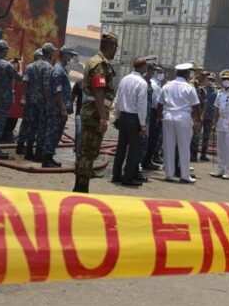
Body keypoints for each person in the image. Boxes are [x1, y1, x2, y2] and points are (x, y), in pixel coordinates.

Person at [74, 33, 118, 193]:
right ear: (112, 47)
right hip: (94, 113)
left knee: (85, 151)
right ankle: (82, 188)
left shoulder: (95, 61)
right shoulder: (99, 64)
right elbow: (98, 90)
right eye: (115, 48)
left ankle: (79, 185)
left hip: (91, 111)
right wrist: (103, 118)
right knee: (89, 153)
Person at [157, 63, 201, 183]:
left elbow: (160, 103)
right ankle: (185, 175)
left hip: (168, 116)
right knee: (184, 147)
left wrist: (159, 117)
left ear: (176, 73)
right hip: (183, 117)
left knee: (168, 146)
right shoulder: (189, 88)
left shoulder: (167, 86)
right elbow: (196, 105)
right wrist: (198, 120)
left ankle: (169, 174)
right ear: (187, 74)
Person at [112, 58, 149, 187]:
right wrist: (143, 124)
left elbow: (117, 100)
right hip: (134, 119)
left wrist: (116, 117)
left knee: (121, 148)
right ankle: (127, 178)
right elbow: (141, 106)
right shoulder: (142, 83)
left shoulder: (124, 79)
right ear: (143, 67)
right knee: (133, 149)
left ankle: (116, 175)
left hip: (123, 117)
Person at [42, 45, 79, 168]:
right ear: (64, 55)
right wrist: (63, 110)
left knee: (56, 133)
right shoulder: (58, 70)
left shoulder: (61, 69)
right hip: (57, 109)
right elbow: (57, 92)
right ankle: (47, 159)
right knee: (53, 133)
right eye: (70, 55)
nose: (71, 58)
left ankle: (49, 157)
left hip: (56, 108)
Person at [0, 39, 22, 160]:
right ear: (4, 51)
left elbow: (1, 66)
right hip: (5, 97)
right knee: (0, 121)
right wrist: (20, 65)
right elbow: (19, 77)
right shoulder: (7, 65)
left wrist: (10, 62)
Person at [16, 48, 43, 159]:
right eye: (39, 57)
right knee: (28, 123)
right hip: (32, 100)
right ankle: (21, 145)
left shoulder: (35, 67)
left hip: (35, 101)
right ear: (36, 57)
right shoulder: (31, 67)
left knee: (30, 124)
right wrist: (23, 97)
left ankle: (23, 145)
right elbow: (25, 82)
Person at [32, 43, 56, 163]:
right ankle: (38, 153)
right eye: (53, 52)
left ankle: (28, 151)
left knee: (32, 125)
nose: (54, 54)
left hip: (33, 99)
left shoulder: (34, 65)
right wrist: (48, 102)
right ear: (50, 53)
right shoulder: (48, 67)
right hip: (43, 101)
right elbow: (47, 86)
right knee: (42, 127)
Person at [190, 68, 209, 162]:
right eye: (202, 76)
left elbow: (204, 104)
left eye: (205, 77)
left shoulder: (202, 91)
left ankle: (193, 155)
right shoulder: (189, 86)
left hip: (196, 117)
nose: (204, 79)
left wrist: (201, 116)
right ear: (197, 74)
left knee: (196, 136)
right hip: (187, 115)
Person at [199, 74, 218, 162]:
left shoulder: (216, 92)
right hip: (200, 115)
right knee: (196, 134)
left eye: (212, 80)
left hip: (210, 116)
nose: (210, 81)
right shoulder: (202, 89)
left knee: (206, 136)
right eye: (209, 79)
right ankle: (193, 152)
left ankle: (203, 153)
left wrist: (215, 119)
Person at [72, 78, 83, 157]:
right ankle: (77, 150)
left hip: (91, 115)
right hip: (79, 113)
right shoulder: (79, 83)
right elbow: (72, 96)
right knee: (79, 133)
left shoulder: (96, 83)